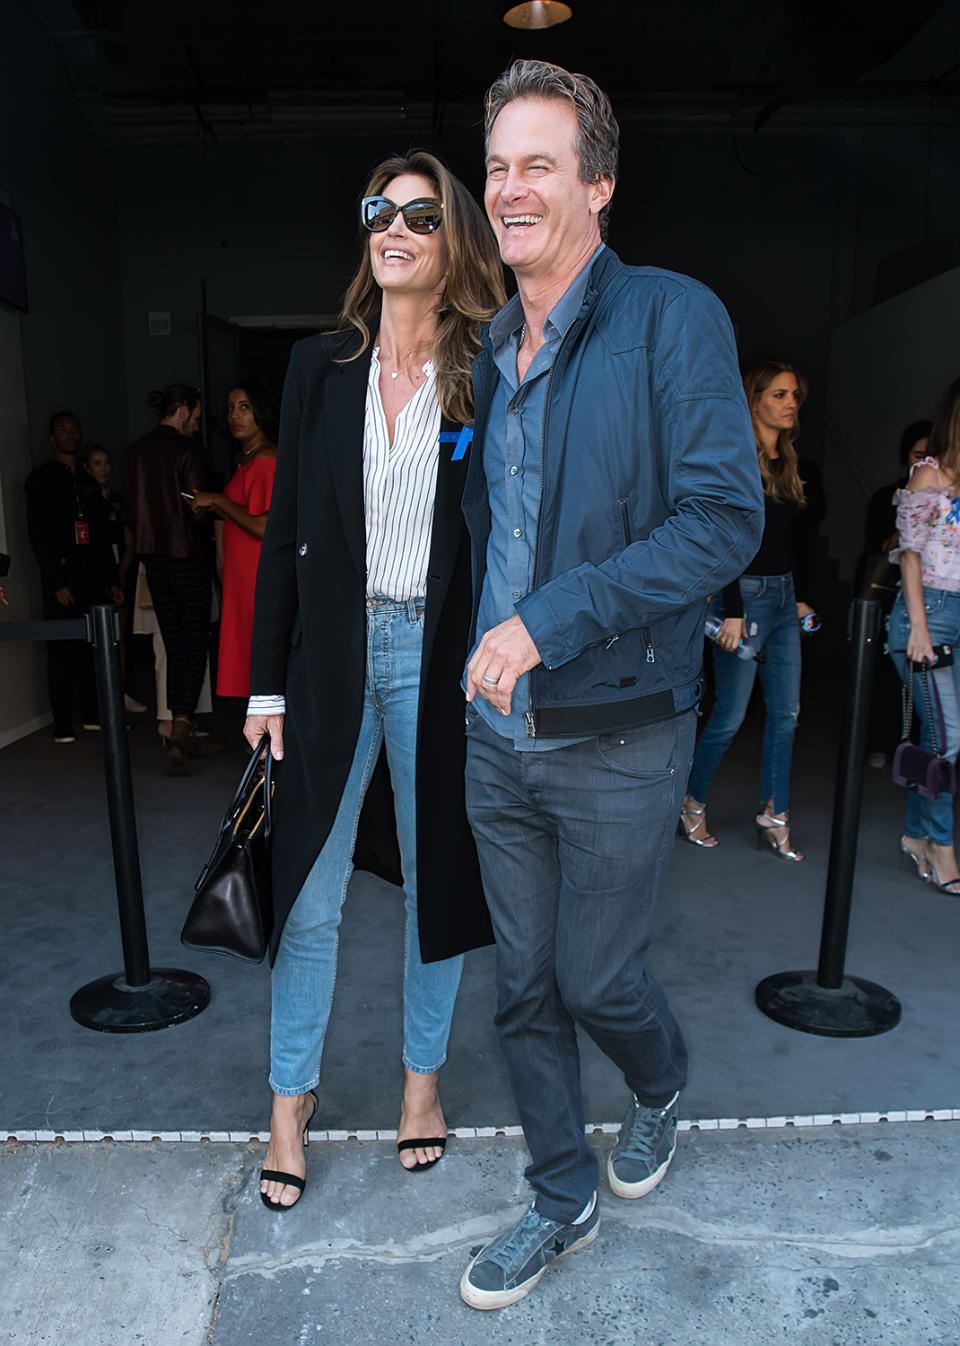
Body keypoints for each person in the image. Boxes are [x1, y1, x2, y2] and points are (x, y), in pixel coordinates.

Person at [457, 60, 763, 1310]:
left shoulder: (672, 318)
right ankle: (559, 1191)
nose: (509, 189)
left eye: (538, 163)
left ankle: (661, 1077)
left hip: (622, 728)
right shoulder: (491, 341)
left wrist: (547, 618)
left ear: (598, 182)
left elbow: (721, 518)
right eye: (496, 167)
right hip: (499, 735)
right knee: (520, 984)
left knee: (597, 978)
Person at [245, 151, 505, 1210]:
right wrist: (265, 686)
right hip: (333, 659)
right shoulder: (321, 366)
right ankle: (287, 1106)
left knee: (433, 879)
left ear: (453, 244)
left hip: (438, 664)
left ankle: (419, 1089)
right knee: (308, 894)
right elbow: (285, 534)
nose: (392, 227)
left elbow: (502, 533)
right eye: (377, 210)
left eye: (419, 213)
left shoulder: (484, 369)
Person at [679, 361, 822, 860]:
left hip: (782, 598)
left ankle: (775, 814)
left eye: (795, 396)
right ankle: (692, 801)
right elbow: (730, 540)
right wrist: (732, 609)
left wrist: (798, 593)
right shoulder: (737, 457)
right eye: (780, 394)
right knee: (730, 716)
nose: (790, 404)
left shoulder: (790, 460)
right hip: (742, 598)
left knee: (788, 714)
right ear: (755, 399)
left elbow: (790, 541)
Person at [888, 377, 960, 894]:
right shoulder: (928, 476)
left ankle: (917, 835)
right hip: (928, 612)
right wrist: (918, 626)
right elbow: (908, 554)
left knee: (943, 738)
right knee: (949, 738)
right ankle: (940, 843)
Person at [123, 384, 212, 774]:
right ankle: (181, 727)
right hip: (187, 556)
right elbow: (197, 507)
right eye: (194, 414)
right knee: (194, 644)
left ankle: (180, 727)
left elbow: (130, 511)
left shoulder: (134, 453)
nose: (196, 422)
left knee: (175, 644)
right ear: (182, 410)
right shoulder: (187, 450)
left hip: (152, 560)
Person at [25, 411, 121, 741]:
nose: (70, 435)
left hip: (92, 576)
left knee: (93, 647)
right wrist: (57, 583)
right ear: (52, 437)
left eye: (74, 429)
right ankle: (62, 721)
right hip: (63, 578)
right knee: (62, 651)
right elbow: (39, 537)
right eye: (63, 430)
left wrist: (112, 581)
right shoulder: (40, 481)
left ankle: (94, 713)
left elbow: (101, 537)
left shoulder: (88, 483)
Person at [190, 386, 278, 698]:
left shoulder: (266, 460)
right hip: (242, 578)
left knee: (263, 665)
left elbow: (265, 525)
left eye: (244, 407)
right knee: (251, 663)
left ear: (261, 412)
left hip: (259, 578)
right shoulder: (245, 458)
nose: (234, 416)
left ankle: (271, 744)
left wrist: (217, 499)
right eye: (229, 408)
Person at [862, 420, 933, 768]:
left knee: (928, 690)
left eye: (929, 455)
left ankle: (916, 755)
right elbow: (879, 547)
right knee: (886, 674)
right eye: (917, 455)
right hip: (891, 595)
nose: (923, 462)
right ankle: (880, 743)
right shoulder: (887, 496)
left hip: (931, 597)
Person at [79, 443, 145, 714]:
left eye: (106, 462)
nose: (104, 468)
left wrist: (117, 575)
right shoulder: (82, 501)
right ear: (86, 467)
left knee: (119, 637)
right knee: (96, 639)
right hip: (95, 578)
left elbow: (130, 542)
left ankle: (120, 692)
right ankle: (99, 700)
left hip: (120, 572)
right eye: (97, 463)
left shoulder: (117, 500)